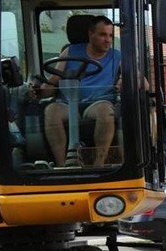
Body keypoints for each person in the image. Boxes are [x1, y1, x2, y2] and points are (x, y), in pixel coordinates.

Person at [36, 15, 121, 167]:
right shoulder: (70, 52)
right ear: (91, 34)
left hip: (95, 105)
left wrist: (126, 81)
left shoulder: (117, 57)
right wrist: (38, 91)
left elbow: (144, 84)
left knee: (105, 110)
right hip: (67, 105)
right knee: (51, 111)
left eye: (110, 35)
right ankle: (64, 167)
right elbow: (53, 81)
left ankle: (98, 166)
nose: (108, 40)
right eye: (103, 35)